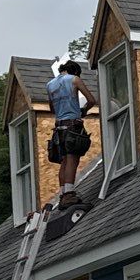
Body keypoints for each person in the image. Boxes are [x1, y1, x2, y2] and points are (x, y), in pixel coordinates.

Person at [45, 59, 98, 209]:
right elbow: (91, 100)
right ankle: (69, 194)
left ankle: (63, 194)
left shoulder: (50, 85)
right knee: (72, 159)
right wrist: (83, 110)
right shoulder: (74, 79)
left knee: (64, 161)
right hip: (72, 125)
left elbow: (52, 109)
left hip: (59, 127)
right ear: (75, 71)